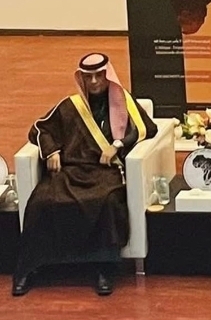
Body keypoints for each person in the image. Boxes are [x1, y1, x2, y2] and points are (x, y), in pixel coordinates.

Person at [13, 53, 158, 296]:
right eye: (88, 77)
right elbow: (40, 129)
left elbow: (147, 128)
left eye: (99, 76)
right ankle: (30, 267)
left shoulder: (124, 102)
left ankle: (104, 267)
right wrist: (51, 151)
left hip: (105, 172)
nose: (94, 82)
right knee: (41, 201)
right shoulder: (70, 106)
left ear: (107, 75)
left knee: (108, 202)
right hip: (69, 170)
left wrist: (118, 145)